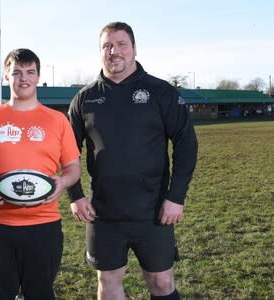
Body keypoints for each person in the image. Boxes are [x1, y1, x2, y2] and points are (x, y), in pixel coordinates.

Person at [67, 22, 198, 300]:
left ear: (134, 49)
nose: (114, 51)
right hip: (103, 212)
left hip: (153, 210)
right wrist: (76, 195)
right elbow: (67, 151)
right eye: (107, 46)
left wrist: (176, 197)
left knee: (161, 281)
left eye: (121, 44)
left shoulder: (160, 92)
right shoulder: (85, 99)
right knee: (108, 282)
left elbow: (186, 143)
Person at [0, 48, 81, 300]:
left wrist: (63, 182)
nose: (23, 78)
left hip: (44, 225)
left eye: (30, 72)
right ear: (7, 76)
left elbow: (73, 167)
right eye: (16, 72)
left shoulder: (58, 120)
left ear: (38, 77)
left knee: (40, 294)